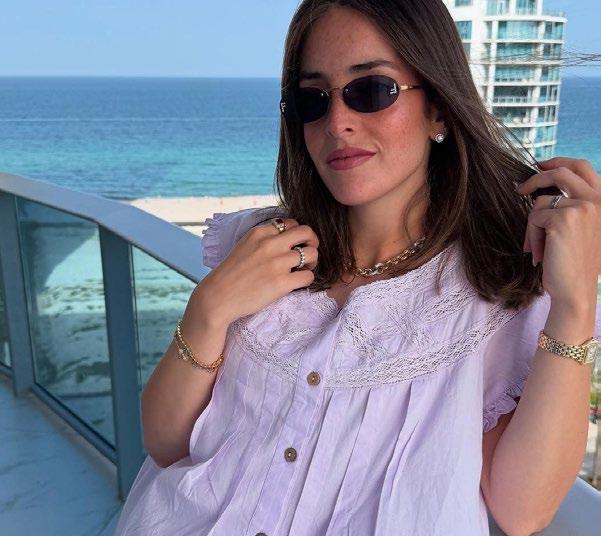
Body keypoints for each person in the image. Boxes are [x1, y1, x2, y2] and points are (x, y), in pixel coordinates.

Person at [115, 1, 601, 534]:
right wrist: (208, 309)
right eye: (313, 99)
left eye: (371, 90)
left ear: (438, 109)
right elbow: (166, 445)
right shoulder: (258, 247)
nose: (337, 123)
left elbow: (522, 510)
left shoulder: (497, 287)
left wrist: (575, 305)